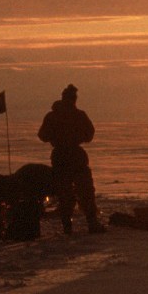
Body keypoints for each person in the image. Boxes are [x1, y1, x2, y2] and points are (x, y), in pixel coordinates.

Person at [38, 84, 105, 234]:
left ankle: (69, 225)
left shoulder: (54, 116)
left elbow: (43, 135)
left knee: (68, 192)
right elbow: (89, 135)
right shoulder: (77, 115)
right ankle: (88, 223)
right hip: (72, 156)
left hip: (64, 156)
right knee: (82, 190)